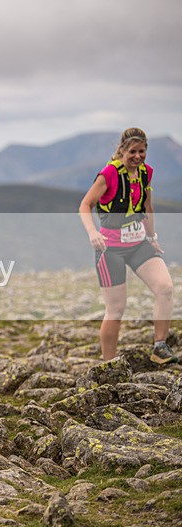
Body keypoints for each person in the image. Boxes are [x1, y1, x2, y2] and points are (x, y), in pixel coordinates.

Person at [79, 127, 177, 364]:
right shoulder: (108, 175)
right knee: (116, 309)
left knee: (165, 288)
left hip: (138, 243)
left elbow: (147, 207)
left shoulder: (145, 173)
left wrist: (152, 237)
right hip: (109, 249)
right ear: (122, 150)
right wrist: (93, 232)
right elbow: (85, 205)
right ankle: (110, 365)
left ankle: (160, 348)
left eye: (142, 151)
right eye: (132, 151)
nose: (137, 156)